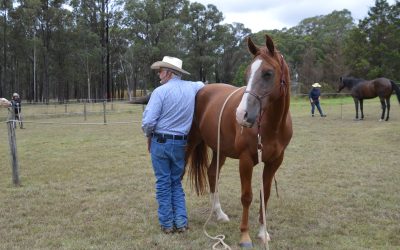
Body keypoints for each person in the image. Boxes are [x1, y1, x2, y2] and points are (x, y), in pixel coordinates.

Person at [141, 56, 204, 234]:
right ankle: (182, 222)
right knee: (175, 182)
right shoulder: (192, 87)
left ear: (169, 72)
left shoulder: (160, 92)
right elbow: (203, 85)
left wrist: (148, 135)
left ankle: (167, 224)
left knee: (163, 183)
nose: (159, 74)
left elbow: (149, 122)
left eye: (161, 70)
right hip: (181, 144)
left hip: (160, 142)